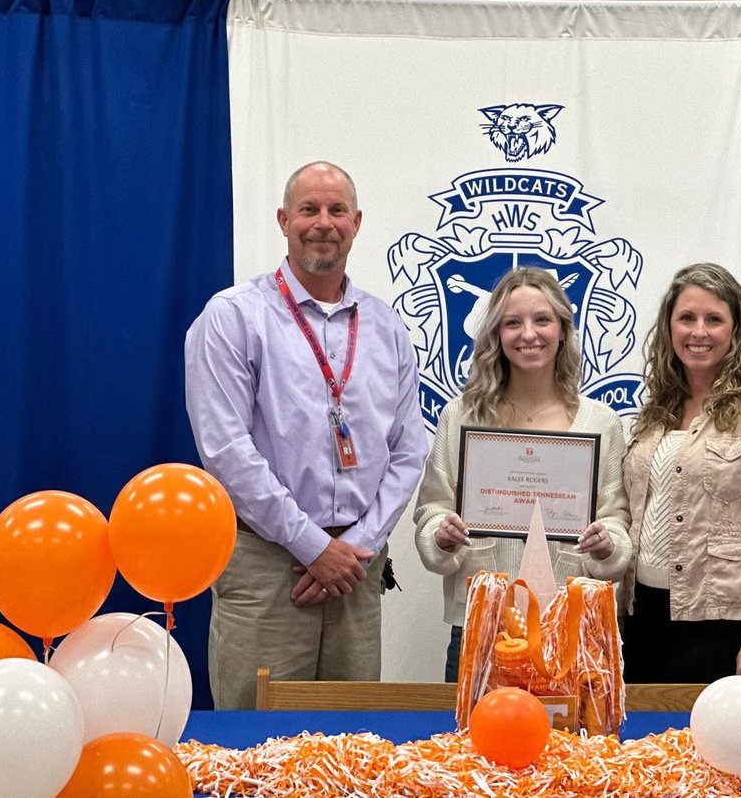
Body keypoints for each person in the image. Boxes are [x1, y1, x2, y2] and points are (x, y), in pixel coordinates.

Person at [185, 160, 428, 709]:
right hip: (269, 565)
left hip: (358, 572)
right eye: (309, 209)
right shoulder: (233, 318)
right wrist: (311, 545)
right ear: (282, 220)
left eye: (337, 210)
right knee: (255, 750)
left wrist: (355, 546)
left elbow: (409, 451)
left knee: (349, 749)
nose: (323, 222)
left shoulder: (386, 326)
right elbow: (226, 451)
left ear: (357, 222)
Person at [413, 267, 632, 682]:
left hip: (568, 630)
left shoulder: (600, 423)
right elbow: (431, 511)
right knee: (471, 747)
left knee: (568, 746)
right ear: (495, 334)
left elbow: (617, 524)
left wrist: (607, 545)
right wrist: (442, 534)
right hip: (480, 627)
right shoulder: (461, 417)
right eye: (512, 323)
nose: (528, 334)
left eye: (542, 320)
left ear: (563, 331)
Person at [621, 262, 741, 684]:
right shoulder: (656, 411)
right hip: (641, 615)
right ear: (669, 328)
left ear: (737, 329)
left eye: (714, 319)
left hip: (725, 625)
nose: (698, 332)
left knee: (705, 749)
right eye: (686, 318)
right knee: (644, 748)